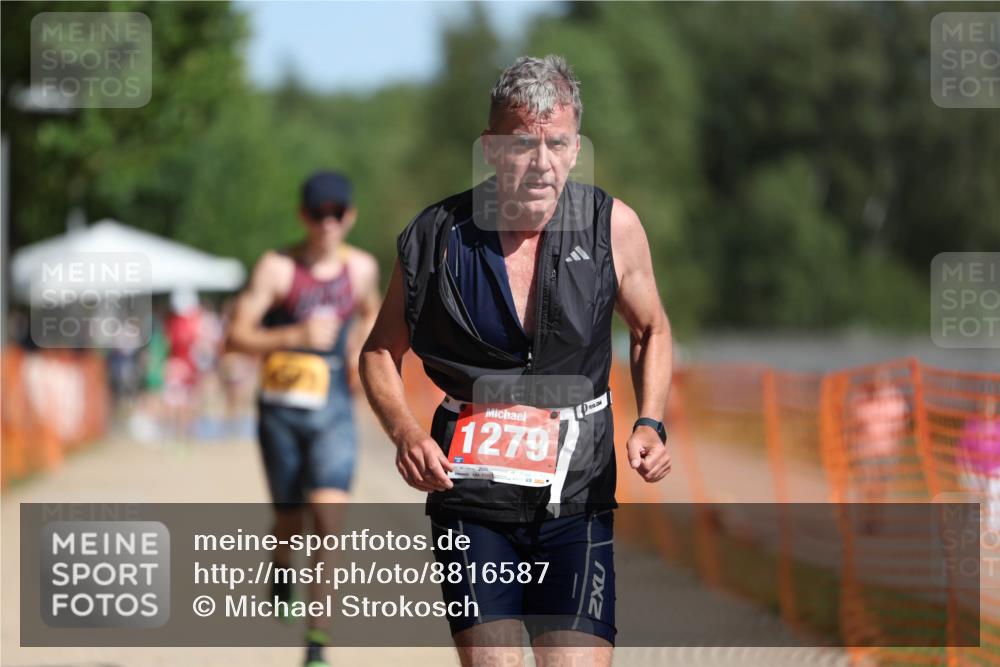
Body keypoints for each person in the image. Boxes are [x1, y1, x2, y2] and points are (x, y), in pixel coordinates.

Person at [360, 55, 673, 667]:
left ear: (576, 149)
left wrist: (651, 420)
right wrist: (404, 432)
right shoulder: (434, 236)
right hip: (471, 500)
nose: (541, 162)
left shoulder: (612, 226)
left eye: (557, 143)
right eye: (523, 145)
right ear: (490, 149)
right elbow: (378, 351)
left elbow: (651, 329)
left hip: (577, 499)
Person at [225, 170, 380, 667]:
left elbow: (371, 313)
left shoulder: (361, 269)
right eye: (318, 213)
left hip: (333, 409)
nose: (327, 222)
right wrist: (294, 336)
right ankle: (281, 563)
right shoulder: (277, 268)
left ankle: (317, 643)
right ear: (303, 216)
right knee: (290, 522)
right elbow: (235, 337)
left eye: (336, 213)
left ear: (350, 216)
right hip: (281, 413)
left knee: (330, 525)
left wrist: (359, 351)